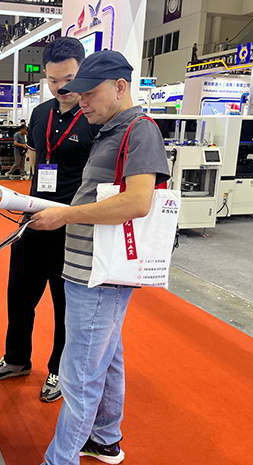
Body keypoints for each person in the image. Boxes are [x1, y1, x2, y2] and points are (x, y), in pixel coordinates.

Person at [30, 50, 171, 465]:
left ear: (120, 87)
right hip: (90, 267)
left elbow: (139, 202)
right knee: (106, 359)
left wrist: (64, 216)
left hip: (99, 273)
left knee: (79, 376)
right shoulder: (109, 130)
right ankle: (105, 439)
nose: (81, 101)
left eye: (89, 93)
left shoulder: (140, 131)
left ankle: (60, 459)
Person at [0, 37, 100, 403]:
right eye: (52, 80)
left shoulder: (94, 117)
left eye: (68, 79)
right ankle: (16, 359)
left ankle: (59, 371)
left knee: (66, 306)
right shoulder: (40, 113)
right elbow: (38, 163)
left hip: (72, 226)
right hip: (32, 220)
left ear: (82, 71)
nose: (61, 87)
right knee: (19, 296)